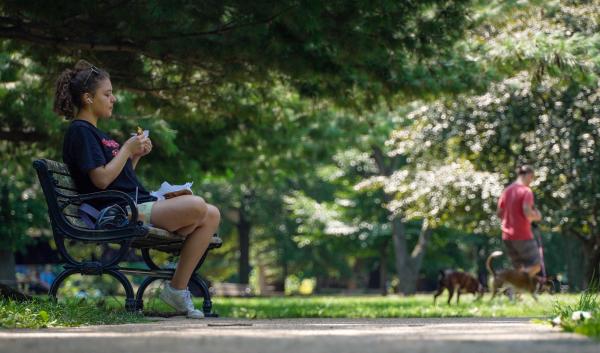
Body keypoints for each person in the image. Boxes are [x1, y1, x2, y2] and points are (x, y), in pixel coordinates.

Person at [54, 60, 220, 319]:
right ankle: (177, 287)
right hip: (116, 212)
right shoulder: (80, 132)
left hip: (132, 203)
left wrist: (135, 156)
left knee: (211, 214)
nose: (113, 98)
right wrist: (126, 149)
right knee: (198, 207)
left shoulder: (95, 133)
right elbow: (101, 180)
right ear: (88, 98)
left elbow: (118, 177)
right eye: (107, 94)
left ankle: (176, 289)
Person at [496, 165, 542, 277]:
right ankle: (516, 282)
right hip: (523, 235)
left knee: (519, 267)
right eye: (531, 177)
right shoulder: (526, 191)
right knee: (536, 265)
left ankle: (514, 290)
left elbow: (499, 213)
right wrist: (537, 216)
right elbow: (527, 211)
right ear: (527, 175)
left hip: (507, 236)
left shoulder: (506, 191)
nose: (531, 181)